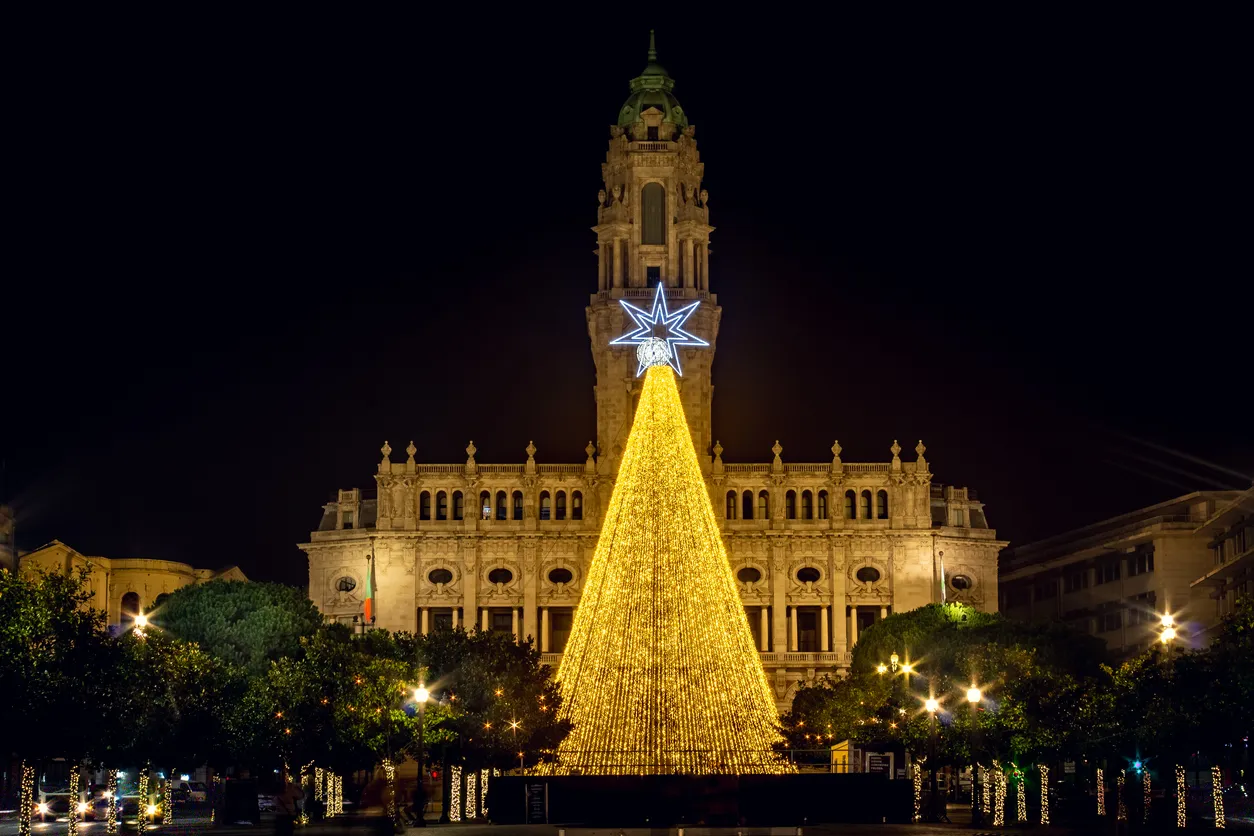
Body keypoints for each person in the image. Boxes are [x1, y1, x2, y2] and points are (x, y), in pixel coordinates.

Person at [274, 771, 304, 836]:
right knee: (288, 831)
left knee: (280, 831)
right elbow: (300, 795)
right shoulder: (290, 788)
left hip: (280, 814)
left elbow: (274, 799)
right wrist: (297, 787)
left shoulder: (276, 788)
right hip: (288, 814)